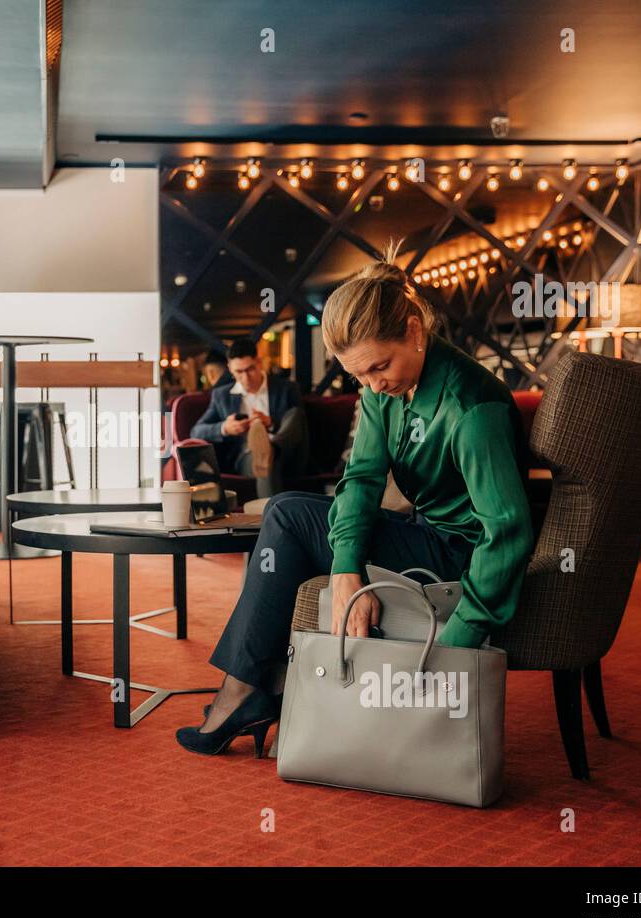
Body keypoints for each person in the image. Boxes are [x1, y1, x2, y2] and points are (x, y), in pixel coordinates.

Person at [176, 245, 535, 756]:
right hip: (423, 534)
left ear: (415, 330)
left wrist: (457, 642)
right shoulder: (384, 390)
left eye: (378, 367)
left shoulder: (471, 407)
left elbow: (507, 531)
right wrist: (347, 571)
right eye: (358, 376)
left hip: (458, 557)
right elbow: (362, 477)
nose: (371, 385)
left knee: (285, 514)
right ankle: (265, 688)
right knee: (288, 514)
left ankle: (251, 691)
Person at [189, 338, 309, 499]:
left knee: (295, 414)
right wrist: (225, 427)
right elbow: (196, 431)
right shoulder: (222, 396)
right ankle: (266, 451)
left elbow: (298, 427)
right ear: (230, 369)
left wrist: (272, 423)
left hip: (287, 453)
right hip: (248, 457)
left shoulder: (286, 388)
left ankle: (271, 448)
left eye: (250, 369)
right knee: (264, 460)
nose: (246, 377)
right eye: (239, 372)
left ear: (259, 363)